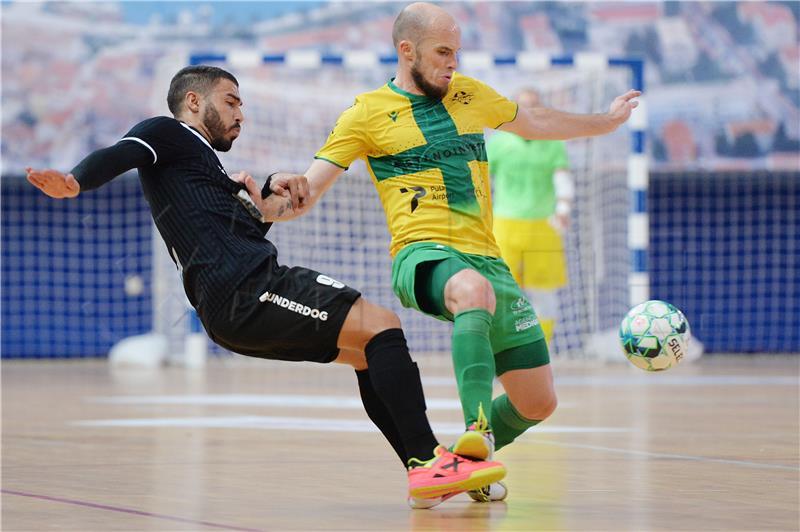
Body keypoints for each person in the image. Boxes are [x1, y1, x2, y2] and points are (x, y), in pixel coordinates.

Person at [25, 65, 507, 506]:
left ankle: (427, 473)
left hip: (236, 298)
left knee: (367, 347)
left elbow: (241, 230)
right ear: (194, 102)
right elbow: (123, 153)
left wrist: (269, 199)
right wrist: (75, 180)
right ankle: (426, 461)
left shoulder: (203, 168)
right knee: (381, 325)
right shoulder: (166, 132)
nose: (241, 113)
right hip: (246, 289)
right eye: (231, 101)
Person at [238, 2, 640, 507]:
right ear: (407, 50)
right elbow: (309, 190)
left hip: (488, 258)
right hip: (422, 253)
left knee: (537, 401)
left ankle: (456, 465)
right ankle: (478, 431)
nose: (453, 62)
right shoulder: (366, 113)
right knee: (472, 290)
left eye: (457, 52)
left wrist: (605, 121)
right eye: (443, 51)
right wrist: (272, 204)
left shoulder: (471, 95)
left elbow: (532, 119)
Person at [487, 88, 574, 344]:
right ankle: (501, 348)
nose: (530, 111)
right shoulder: (499, 142)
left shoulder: (553, 142)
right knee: (499, 292)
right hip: (505, 227)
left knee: (544, 294)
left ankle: (540, 350)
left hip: (542, 228)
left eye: (535, 105)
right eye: (524, 106)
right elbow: (478, 179)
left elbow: (562, 178)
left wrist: (564, 210)